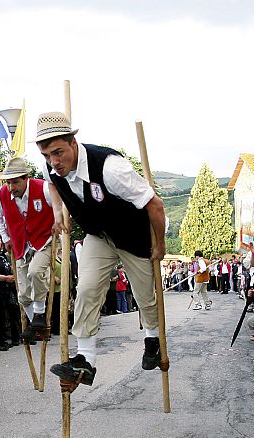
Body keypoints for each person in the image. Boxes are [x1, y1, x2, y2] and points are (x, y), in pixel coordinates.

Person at [34, 112, 165, 386]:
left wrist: (160, 245)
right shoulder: (51, 167)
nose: (53, 162)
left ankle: (153, 337)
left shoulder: (110, 168)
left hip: (133, 236)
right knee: (87, 288)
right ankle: (86, 359)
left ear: (73, 142)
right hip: (98, 235)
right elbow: (52, 185)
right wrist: (58, 211)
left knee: (144, 296)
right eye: (47, 155)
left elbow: (155, 205)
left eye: (58, 152)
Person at [0, 157, 53, 343]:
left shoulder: (43, 188)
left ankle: (40, 314)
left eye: (15, 182)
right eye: (8, 182)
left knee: (36, 271)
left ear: (27, 178)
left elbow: (60, 205)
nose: (11, 187)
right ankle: (36, 326)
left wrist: (59, 220)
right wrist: (5, 237)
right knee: (23, 294)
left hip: (44, 240)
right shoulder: (0, 195)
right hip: (20, 244)